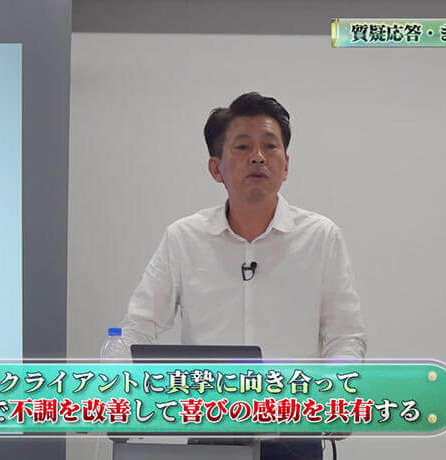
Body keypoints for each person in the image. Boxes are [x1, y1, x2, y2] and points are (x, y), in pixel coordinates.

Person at [119, 92, 367, 459]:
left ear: (286, 166)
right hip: (210, 436)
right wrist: (118, 389)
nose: (258, 156)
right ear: (216, 168)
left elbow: (345, 336)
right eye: (243, 146)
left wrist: (337, 394)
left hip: (295, 436)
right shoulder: (184, 238)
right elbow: (136, 329)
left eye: (270, 146)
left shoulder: (321, 237)